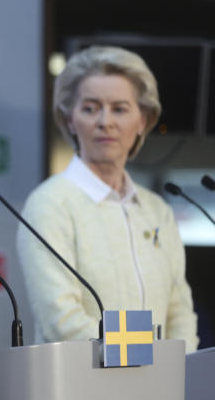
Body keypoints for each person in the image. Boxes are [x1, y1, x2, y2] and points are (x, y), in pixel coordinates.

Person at [17, 46, 198, 350]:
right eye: (90, 108)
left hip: (160, 389)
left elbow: (178, 311)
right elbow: (61, 320)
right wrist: (147, 355)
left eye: (120, 108)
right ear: (70, 119)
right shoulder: (49, 205)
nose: (105, 121)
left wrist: (180, 369)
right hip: (82, 389)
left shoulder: (157, 210)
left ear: (143, 120)